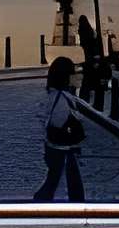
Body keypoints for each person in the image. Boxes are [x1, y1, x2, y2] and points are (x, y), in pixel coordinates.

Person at [35, 57, 89, 201]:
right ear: (65, 77)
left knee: (56, 182)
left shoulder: (55, 95)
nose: (78, 76)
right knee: (62, 184)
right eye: (73, 74)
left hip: (58, 148)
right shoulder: (63, 99)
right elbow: (58, 123)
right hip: (62, 149)